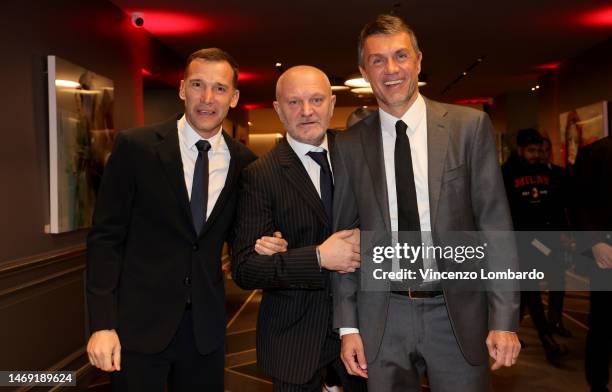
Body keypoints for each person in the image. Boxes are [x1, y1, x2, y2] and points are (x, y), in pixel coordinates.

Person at [332, 14, 521, 392]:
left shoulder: (468, 128)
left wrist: (504, 319)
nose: (391, 69)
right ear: (363, 70)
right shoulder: (349, 144)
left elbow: (495, 227)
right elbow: (345, 242)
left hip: (455, 314)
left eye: (401, 56)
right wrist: (349, 326)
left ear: (418, 59)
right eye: (378, 60)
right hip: (383, 316)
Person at [85, 48, 257, 391]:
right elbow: (106, 239)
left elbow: (241, 239)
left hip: (205, 332)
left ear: (234, 97)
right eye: (197, 84)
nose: (207, 98)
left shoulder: (246, 163)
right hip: (137, 329)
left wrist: (266, 243)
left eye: (220, 88)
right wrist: (102, 324)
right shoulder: (137, 147)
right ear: (182, 89)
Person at [232, 65, 366, 392]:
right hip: (296, 337)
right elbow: (246, 268)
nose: (306, 111)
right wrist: (318, 257)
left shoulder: (360, 156)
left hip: (365, 328)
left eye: (316, 100)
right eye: (294, 102)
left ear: (332, 104)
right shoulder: (260, 175)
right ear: (278, 110)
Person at [502, 129, 569, 365]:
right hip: (520, 240)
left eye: (539, 150)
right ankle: (547, 339)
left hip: (547, 239)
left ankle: (542, 327)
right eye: (531, 150)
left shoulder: (546, 172)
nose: (536, 155)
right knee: (529, 289)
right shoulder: (507, 174)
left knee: (546, 283)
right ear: (520, 150)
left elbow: (555, 204)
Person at [572, 135, 612, 392]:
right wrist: (594, 242)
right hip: (607, 250)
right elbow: (578, 202)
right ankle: (597, 384)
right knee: (603, 320)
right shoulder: (595, 153)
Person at [540, 136, 573, 338]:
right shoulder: (524, 176)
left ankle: (555, 321)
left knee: (557, 279)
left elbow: (565, 206)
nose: (542, 154)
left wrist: (566, 233)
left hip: (555, 234)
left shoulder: (559, 174)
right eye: (539, 150)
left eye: (545, 150)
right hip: (531, 236)